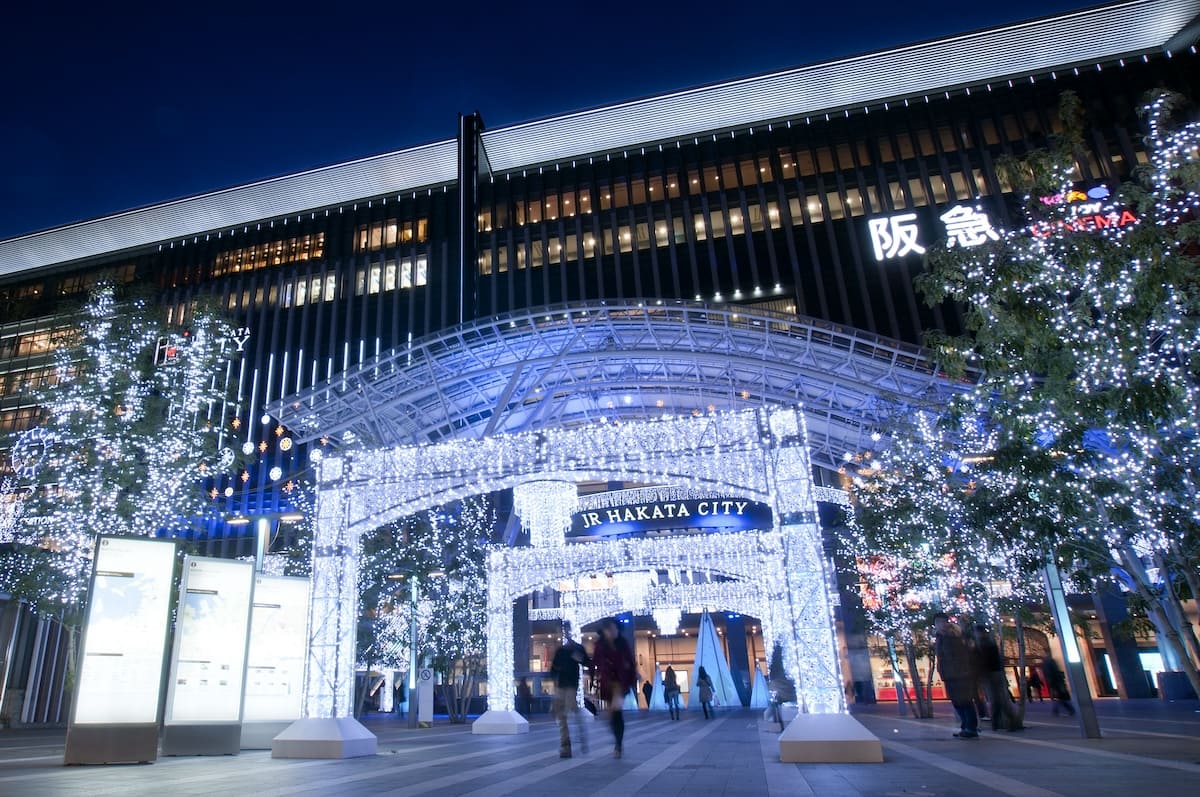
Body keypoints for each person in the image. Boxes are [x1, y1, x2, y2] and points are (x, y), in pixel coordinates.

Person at [593, 617, 637, 758]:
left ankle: (618, 744)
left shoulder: (623, 643)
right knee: (610, 716)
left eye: (614, 629)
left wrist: (632, 678)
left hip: (620, 682)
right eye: (609, 629)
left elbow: (631, 662)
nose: (612, 632)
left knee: (616, 711)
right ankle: (617, 740)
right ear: (604, 631)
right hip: (606, 684)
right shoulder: (600, 645)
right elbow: (595, 662)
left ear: (617, 629)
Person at [933, 613, 980, 739]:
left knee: (964, 701)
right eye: (937, 622)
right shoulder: (941, 637)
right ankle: (965, 726)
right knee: (957, 702)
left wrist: (963, 671)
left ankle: (970, 728)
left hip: (960, 674)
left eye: (941, 622)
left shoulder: (953, 636)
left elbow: (960, 656)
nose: (939, 625)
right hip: (949, 674)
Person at [549, 623, 591, 758]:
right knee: (562, 716)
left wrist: (579, 657)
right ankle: (565, 745)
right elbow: (553, 670)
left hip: (571, 685)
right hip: (562, 685)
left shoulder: (576, 648)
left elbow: (587, 663)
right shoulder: (561, 651)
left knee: (570, 709)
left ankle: (580, 735)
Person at [973, 625, 1022, 732]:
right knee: (998, 699)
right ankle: (1000, 722)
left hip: (991, 673)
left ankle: (1000, 722)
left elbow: (984, 661)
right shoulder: (988, 643)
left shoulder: (982, 645)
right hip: (994, 673)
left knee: (996, 699)